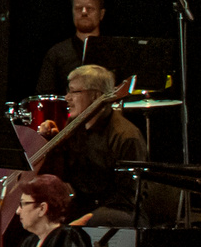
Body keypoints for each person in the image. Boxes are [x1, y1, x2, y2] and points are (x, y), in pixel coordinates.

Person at [34, 65, 147, 226]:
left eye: (74, 91)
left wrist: (86, 219)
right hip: (84, 206)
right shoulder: (74, 125)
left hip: (118, 213)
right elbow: (63, 174)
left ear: (95, 96)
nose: (67, 97)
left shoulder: (126, 136)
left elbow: (126, 197)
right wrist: (51, 144)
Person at [35, 0, 123, 95]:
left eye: (90, 8)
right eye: (78, 8)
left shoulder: (116, 52)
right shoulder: (57, 53)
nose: (84, 12)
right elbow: (45, 95)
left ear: (101, 14)